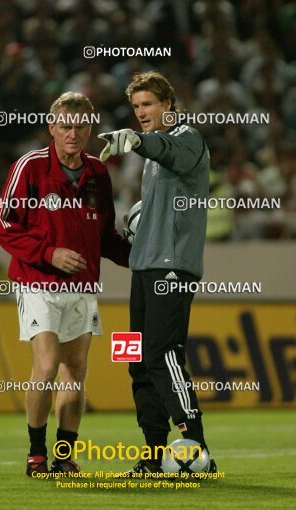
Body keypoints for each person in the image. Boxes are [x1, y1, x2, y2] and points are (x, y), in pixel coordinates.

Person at [0, 92, 130, 477]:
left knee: (76, 368)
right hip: (38, 282)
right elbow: (4, 226)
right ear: (52, 127)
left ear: (90, 128)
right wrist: (49, 253)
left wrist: (140, 258)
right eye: (65, 126)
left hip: (82, 286)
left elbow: (105, 236)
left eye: (81, 126)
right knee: (48, 364)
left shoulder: (98, 174)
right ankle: (36, 452)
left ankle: (64, 455)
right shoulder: (30, 167)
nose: (73, 133)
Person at [98, 71, 217, 475]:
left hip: (171, 267)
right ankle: (152, 453)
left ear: (168, 105)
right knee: (135, 358)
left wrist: (138, 141)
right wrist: (140, 219)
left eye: (147, 105)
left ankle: (197, 444)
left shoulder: (187, 137)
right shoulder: (152, 156)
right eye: (136, 107)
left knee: (162, 353)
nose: (141, 113)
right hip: (144, 265)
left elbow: (171, 152)